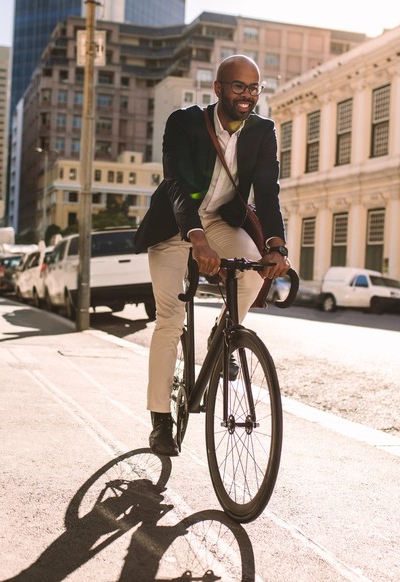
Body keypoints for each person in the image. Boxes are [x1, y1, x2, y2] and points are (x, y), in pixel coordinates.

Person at [133, 55, 291, 457]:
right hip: (175, 226)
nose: (247, 95)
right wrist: (196, 238)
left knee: (254, 273)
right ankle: (160, 421)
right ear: (218, 88)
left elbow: (268, 192)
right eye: (238, 87)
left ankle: (222, 336)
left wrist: (276, 246)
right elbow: (177, 185)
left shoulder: (262, 131)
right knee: (168, 321)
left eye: (254, 88)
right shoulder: (184, 122)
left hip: (221, 222)